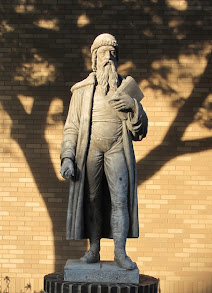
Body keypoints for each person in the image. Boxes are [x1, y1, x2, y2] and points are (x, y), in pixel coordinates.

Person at [60, 33, 148, 270]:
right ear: (94, 58)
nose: (108, 57)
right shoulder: (81, 91)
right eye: (102, 53)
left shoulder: (126, 88)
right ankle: (94, 249)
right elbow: (72, 126)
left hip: (117, 147)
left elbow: (140, 131)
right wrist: (68, 156)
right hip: (90, 149)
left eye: (112, 53)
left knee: (120, 199)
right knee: (92, 200)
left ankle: (120, 252)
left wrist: (134, 108)